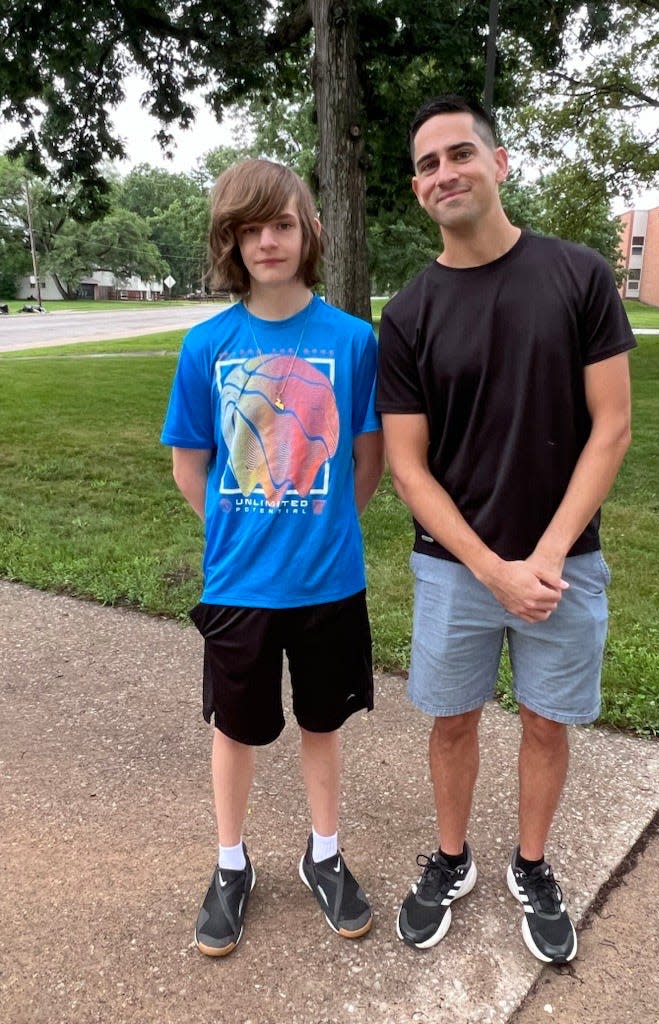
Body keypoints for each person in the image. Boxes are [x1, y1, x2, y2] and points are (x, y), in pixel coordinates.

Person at [376, 96, 635, 963]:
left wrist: (548, 556)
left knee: (545, 723)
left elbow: (612, 428)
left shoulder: (580, 275)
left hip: (565, 562)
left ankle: (532, 866)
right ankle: (452, 859)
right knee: (451, 721)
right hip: (457, 569)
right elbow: (408, 467)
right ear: (418, 191)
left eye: (459, 154)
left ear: (500, 163)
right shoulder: (408, 312)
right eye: (426, 165)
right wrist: (492, 568)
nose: (443, 173)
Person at [161, 158, 383, 956]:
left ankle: (324, 855)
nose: (267, 241)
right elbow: (191, 464)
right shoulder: (207, 345)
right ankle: (231, 864)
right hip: (239, 583)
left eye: (281, 224)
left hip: (329, 581)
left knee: (323, 723)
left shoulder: (354, 341)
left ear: (308, 232)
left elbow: (367, 462)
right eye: (249, 228)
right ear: (231, 240)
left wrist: (320, 525)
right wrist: (236, 525)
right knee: (238, 729)